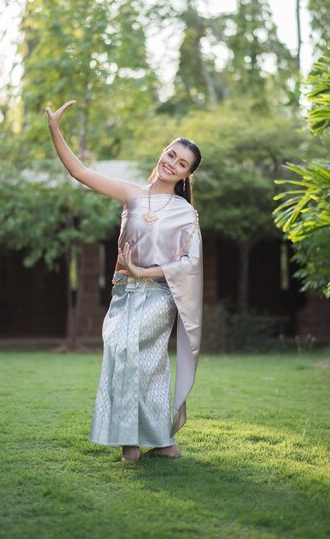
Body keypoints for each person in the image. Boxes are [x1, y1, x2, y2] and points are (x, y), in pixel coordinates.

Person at [45, 100, 203, 462]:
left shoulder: (185, 212)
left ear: (185, 175)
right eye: (171, 154)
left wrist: (144, 272)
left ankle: (152, 442)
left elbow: (189, 263)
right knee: (123, 355)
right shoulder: (132, 193)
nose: (172, 163)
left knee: (135, 354)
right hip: (123, 294)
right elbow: (80, 172)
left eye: (182, 164)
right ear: (163, 152)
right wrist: (55, 129)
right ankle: (146, 443)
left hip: (158, 295)